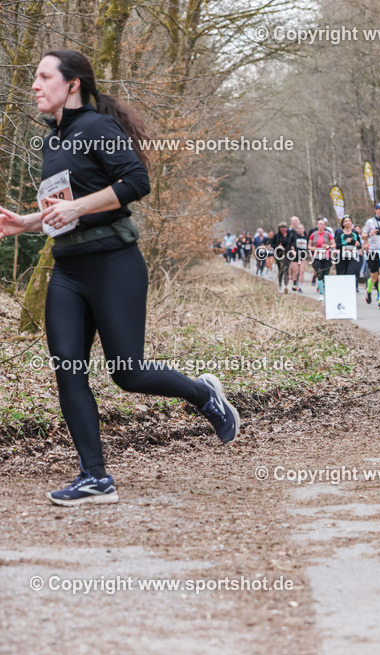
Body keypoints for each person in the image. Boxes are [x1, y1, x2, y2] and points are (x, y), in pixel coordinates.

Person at [0, 50, 239, 505]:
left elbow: (135, 183)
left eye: (44, 76)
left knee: (126, 373)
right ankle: (95, 477)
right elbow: (65, 211)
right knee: (68, 369)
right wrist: (27, 223)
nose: (35, 85)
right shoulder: (54, 142)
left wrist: (76, 207)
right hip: (67, 268)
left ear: (72, 84)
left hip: (113, 265)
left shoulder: (97, 128)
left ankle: (203, 394)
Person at [362, 203, 380, 308]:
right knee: (374, 278)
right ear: (375, 210)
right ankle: (369, 291)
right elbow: (363, 235)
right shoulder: (370, 222)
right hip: (372, 252)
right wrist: (370, 234)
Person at [334, 216, 362, 289]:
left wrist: (358, 244)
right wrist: (345, 242)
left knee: (351, 272)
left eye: (349, 221)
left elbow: (359, 244)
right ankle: (341, 289)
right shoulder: (340, 233)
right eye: (345, 221)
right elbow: (337, 245)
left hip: (352, 256)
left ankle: (350, 289)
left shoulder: (355, 232)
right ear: (343, 223)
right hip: (342, 256)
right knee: (342, 273)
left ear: (351, 222)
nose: (347, 222)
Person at [269, 221, 295, 293]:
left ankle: (286, 284)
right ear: (279, 229)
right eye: (282, 230)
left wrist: (293, 247)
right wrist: (278, 246)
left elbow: (293, 242)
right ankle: (280, 284)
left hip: (288, 253)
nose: (283, 231)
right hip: (279, 254)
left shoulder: (290, 235)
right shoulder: (276, 236)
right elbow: (272, 244)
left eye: (285, 229)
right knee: (281, 269)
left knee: (286, 268)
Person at [291, 222, 309, 292]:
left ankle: (300, 287)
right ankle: (295, 283)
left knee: (301, 271)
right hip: (295, 255)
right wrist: (292, 250)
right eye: (299, 228)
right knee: (296, 271)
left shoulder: (306, 236)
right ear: (297, 229)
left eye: (302, 228)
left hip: (303, 255)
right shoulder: (294, 236)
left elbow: (308, 245)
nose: (301, 229)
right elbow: (291, 245)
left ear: (304, 229)